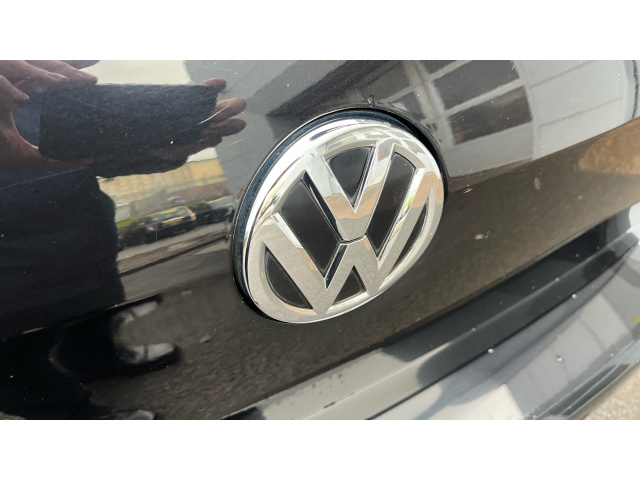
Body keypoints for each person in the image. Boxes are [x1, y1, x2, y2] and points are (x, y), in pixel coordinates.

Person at [0, 60, 247, 419]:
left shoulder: (32, 85)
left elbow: (83, 157)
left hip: (89, 248)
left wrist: (150, 152)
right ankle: (76, 419)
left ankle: (95, 359)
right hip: (11, 278)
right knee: (17, 363)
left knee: (94, 318)